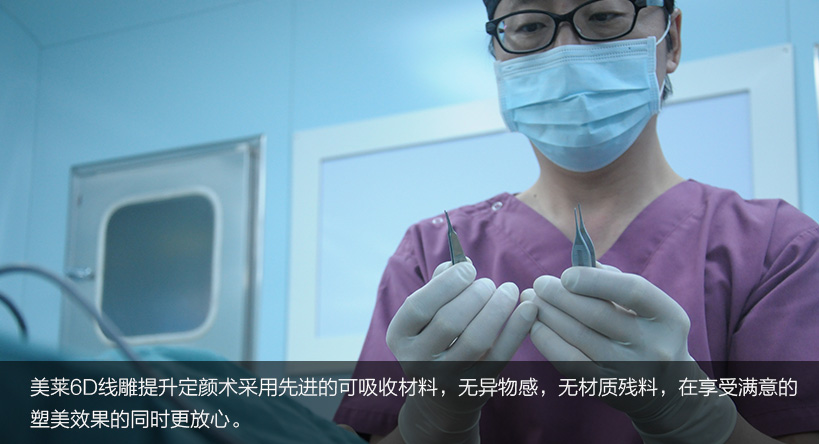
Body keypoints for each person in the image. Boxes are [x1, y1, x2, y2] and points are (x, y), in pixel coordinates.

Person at [334, 0, 819, 442]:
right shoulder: (430, 251)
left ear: (671, 40)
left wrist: (698, 422)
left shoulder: (777, 248)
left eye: (604, 16)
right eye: (529, 26)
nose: (566, 51)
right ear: (497, 54)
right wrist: (433, 422)